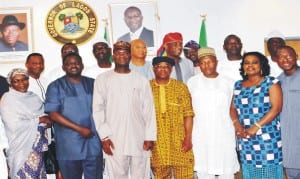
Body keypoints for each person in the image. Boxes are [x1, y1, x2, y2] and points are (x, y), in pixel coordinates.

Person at [93, 41, 156, 179]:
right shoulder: (102, 79)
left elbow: (149, 109)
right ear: (113, 56)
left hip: (139, 137)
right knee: (117, 176)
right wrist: (104, 137)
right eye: (118, 53)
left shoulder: (141, 79)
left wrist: (149, 136)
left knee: (141, 175)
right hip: (114, 138)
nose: (122, 56)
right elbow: (98, 109)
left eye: (125, 53)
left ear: (130, 56)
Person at [44, 53, 103, 179]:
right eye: (69, 63)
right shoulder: (55, 87)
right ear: (64, 67)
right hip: (69, 146)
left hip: (93, 143)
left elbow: (104, 108)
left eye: (76, 62)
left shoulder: (93, 83)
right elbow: (53, 114)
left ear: (82, 65)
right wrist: (79, 129)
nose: (73, 65)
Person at [187, 47, 239, 179]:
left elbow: (233, 108)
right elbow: (188, 110)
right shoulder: (192, 82)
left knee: (226, 169)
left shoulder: (229, 82)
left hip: (223, 132)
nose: (206, 65)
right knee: (204, 169)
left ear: (216, 62)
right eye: (202, 62)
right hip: (200, 133)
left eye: (209, 61)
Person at [230, 52, 283, 179]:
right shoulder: (238, 85)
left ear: (262, 65)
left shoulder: (270, 82)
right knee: (250, 172)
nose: (250, 65)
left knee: (269, 173)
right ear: (243, 66)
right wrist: (237, 125)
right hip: (245, 138)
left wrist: (256, 126)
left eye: (254, 62)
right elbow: (232, 108)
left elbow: (276, 108)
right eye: (246, 63)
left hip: (267, 138)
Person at [0, 68, 52, 178]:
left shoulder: (33, 97)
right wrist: (39, 120)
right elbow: (13, 125)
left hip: (37, 148)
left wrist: (47, 120)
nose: (21, 83)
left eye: (24, 79)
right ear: (10, 83)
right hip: (21, 148)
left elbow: (44, 114)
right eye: (16, 81)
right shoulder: (8, 99)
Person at [150, 56, 194, 178]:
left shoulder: (181, 88)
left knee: (185, 173)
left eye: (166, 67)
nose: (163, 69)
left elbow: (188, 114)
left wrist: (188, 138)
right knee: (160, 174)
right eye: (159, 66)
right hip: (157, 142)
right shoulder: (146, 88)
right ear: (154, 68)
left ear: (171, 69)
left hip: (179, 139)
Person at [276, 46, 300, 179]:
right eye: (281, 57)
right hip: (289, 141)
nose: (285, 60)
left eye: (289, 56)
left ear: (296, 56)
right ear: (277, 60)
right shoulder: (276, 82)